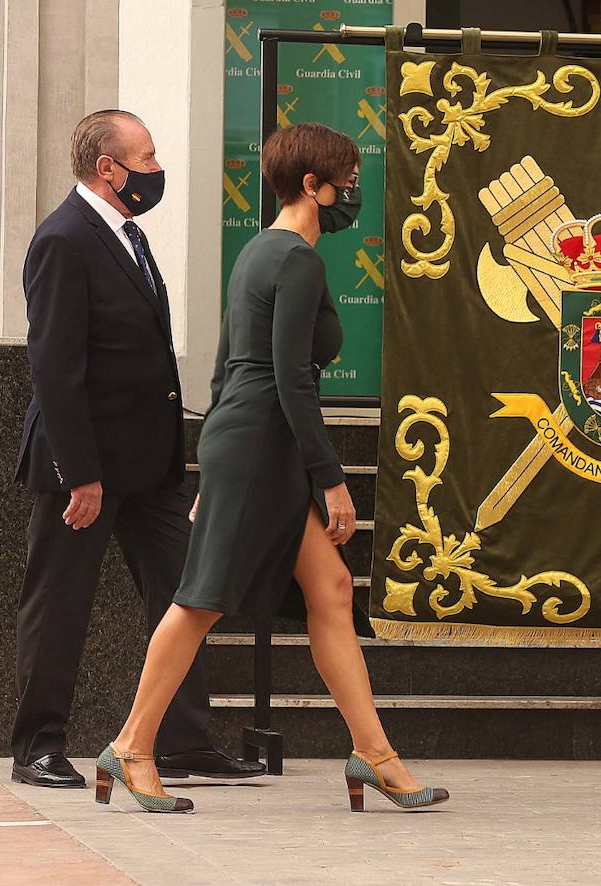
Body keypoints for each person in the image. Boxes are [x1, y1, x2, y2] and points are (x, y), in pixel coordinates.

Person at [96, 122, 448, 814]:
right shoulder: (297, 261)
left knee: (334, 589)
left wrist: (208, 471)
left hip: (250, 443)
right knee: (203, 598)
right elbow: (291, 379)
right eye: (344, 183)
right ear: (311, 187)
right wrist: (330, 477)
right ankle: (133, 745)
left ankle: (374, 755)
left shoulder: (257, 251)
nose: (352, 193)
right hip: (265, 444)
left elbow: (229, 369)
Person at [12, 110, 263, 787]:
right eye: (146, 157)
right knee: (60, 604)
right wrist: (81, 474)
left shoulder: (128, 235)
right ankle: (37, 747)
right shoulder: (64, 239)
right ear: (108, 168)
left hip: (149, 465)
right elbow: (55, 369)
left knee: (187, 590)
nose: (155, 169)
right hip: (85, 466)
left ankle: (179, 741)